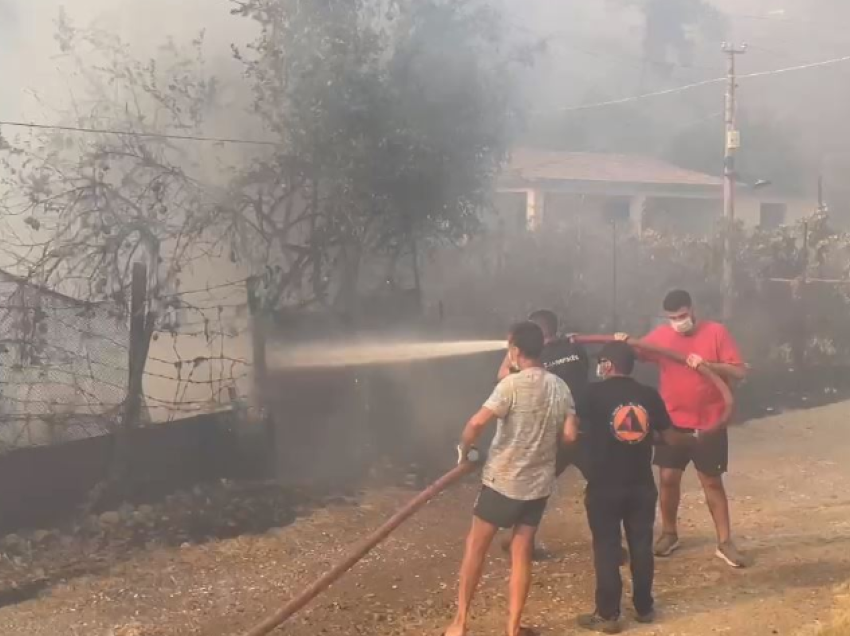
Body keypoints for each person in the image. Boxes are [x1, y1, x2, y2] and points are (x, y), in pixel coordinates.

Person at [445, 321, 578, 636]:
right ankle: (513, 628)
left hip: (502, 483)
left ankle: (460, 623)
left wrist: (466, 449)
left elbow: (476, 423)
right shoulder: (560, 386)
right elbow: (571, 435)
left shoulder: (510, 386)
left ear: (516, 351)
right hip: (537, 487)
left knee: (476, 547)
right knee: (521, 554)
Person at [616, 289, 749, 568]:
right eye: (673, 317)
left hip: (710, 422)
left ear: (693, 309)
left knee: (711, 482)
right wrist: (623, 342)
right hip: (672, 421)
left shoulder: (716, 333)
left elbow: (739, 371)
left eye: (683, 315)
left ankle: (725, 542)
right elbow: (637, 352)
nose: (679, 321)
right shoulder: (663, 337)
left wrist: (707, 365)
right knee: (667, 478)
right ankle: (669, 534)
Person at [572, 341, 696, 634]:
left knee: (606, 547)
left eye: (601, 362)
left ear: (609, 365)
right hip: (641, 484)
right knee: (641, 546)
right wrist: (696, 439)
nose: (599, 367)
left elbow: (574, 431)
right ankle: (644, 607)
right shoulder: (648, 395)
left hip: (604, 485)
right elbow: (670, 437)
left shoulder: (590, 393)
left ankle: (608, 615)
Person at [496, 309, 590, 558]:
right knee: (541, 487)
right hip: (568, 431)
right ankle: (518, 540)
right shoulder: (570, 348)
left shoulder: (560, 350)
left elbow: (503, 375)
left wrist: (511, 352)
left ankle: (608, 541)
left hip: (569, 432)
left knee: (538, 488)